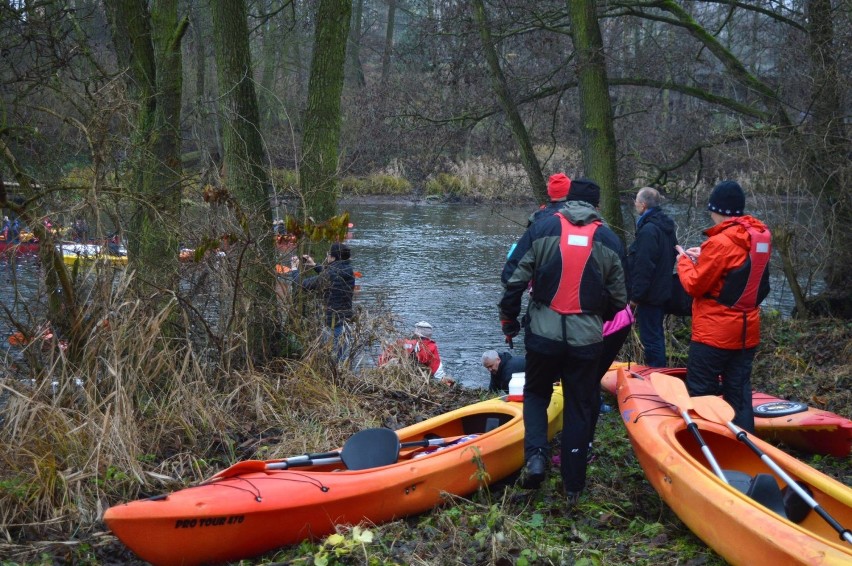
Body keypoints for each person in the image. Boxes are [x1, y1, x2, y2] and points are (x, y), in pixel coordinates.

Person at [499, 177, 627, 507]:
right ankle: (573, 484)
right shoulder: (609, 239)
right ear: (597, 206)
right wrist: (596, 313)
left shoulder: (542, 228)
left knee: (537, 393)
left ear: (568, 200)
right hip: (586, 342)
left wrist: (509, 320)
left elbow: (513, 281)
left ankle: (537, 457)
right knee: (579, 406)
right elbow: (620, 299)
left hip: (543, 335)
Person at [677, 180, 771, 433]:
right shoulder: (759, 238)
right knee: (739, 391)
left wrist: (684, 262)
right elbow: (735, 271)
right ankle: (745, 444)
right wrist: (704, 256)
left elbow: (695, 286)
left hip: (714, 333)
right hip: (746, 333)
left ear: (716, 209)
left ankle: (707, 444)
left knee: (701, 390)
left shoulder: (720, 242)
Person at [627, 187, 678, 367]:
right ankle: (658, 375)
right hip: (662, 290)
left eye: (636, 202)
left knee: (651, 340)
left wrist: (635, 297)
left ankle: (655, 378)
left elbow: (644, 266)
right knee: (656, 336)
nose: (635, 205)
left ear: (643, 204)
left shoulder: (648, 230)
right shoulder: (667, 226)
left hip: (649, 295)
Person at [298, 242, 356, 360]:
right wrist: (314, 265)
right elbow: (331, 274)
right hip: (346, 323)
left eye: (329, 254)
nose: (327, 256)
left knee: (334, 360)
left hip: (334, 325)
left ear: (333, 257)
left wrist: (294, 270)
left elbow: (303, 285)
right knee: (343, 360)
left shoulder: (330, 274)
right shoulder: (348, 271)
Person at [379, 321, 452, 383]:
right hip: (414, 378)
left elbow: (384, 356)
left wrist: (381, 369)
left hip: (394, 375)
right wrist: (443, 382)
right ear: (429, 335)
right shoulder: (430, 347)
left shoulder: (402, 342)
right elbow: (437, 370)